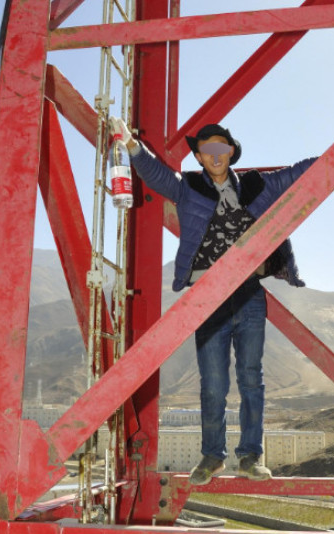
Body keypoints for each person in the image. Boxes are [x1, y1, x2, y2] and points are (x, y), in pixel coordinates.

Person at [110, 118, 316, 485]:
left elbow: (296, 174)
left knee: (252, 378)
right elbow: (158, 176)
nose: (214, 155)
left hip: (249, 293)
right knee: (213, 382)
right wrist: (131, 146)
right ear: (200, 158)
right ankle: (212, 457)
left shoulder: (256, 185)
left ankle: (251, 457)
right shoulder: (188, 188)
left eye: (221, 147)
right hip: (206, 297)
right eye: (206, 150)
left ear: (231, 152)